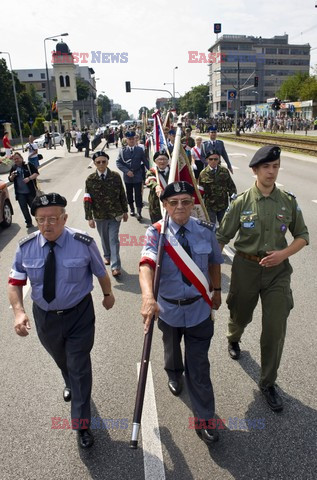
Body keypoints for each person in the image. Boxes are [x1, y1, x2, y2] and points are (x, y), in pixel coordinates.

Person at [8, 193, 115, 449]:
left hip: (79, 314)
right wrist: (18, 312)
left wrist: (108, 294)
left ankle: (82, 425)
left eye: (53, 219)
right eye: (41, 219)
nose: (47, 225)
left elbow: (101, 273)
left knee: (79, 366)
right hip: (45, 317)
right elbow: (15, 283)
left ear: (64, 218)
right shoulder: (26, 246)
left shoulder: (83, 242)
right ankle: (68, 380)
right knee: (62, 359)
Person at [216, 145, 309, 412]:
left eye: (276, 166)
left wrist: (283, 254)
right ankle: (234, 336)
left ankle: (268, 382)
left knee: (274, 327)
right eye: (266, 167)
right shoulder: (241, 202)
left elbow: (302, 236)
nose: (272, 171)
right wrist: (207, 271)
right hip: (246, 269)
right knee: (241, 314)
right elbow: (221, 239)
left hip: (277, 273)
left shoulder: (287, 201)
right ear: (255, 170)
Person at [139, 181, 223, 445]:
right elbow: (146, 265)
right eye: (173, 202)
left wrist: (217, 291)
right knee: (172, 349)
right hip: (169, 309)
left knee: (199, 367)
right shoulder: (156, 233)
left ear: (192, 204)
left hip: (199, 309)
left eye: (186, 201)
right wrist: (148, 297)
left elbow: (214, 262)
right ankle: (174, 373)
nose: (180, 207)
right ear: (165, 205)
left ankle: (205, 419)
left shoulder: (205, 231)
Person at [84, 151, 128, 277]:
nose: (101, 164)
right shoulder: (90, 179)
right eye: (98, 162)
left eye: (104, 161)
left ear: (107, 162)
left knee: (113, 239)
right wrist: (89, 217)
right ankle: (107, 255)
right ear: (94, 163)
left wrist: (125, 211)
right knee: (104, 238)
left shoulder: (115, 176)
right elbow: (87, 199)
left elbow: (122, 194)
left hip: (115, 214)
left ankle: (115, 266)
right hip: (99, 215)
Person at [116, 131, 149, 221]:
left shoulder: (139, 150)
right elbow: (118, 163)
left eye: (133, 139)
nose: (131, 140)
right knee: (129, 194)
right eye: (129, 139)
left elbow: (145, 161)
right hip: (128, 177)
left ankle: (139, 211)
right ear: (126, 140)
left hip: (137, 175)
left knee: (138, 194)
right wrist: (126, 171)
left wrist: (151, 171)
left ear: (135, 139)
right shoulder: (122, 151)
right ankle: (132, 209)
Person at [199, 150, 237, 227]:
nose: (213, 161)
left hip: (223, 205)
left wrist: (233, 202)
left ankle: (222, 239)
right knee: (211, 227)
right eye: (211, 159)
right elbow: (200, 191)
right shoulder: (203, 174)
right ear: (207, 160)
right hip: (210, 206)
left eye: (216, 159)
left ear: (219, 160)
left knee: (224, 227)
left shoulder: (224, 171)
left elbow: (231, 187)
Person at [8, 152, 39, 228]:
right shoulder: (13, 168)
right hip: (20, 193)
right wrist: (12, 176)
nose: (16, 160)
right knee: (24, 209)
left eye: (17, 158)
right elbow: (10, 179)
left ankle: (39, 220)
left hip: (30, 192)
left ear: (21, 158)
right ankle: (28, 222)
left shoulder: (28, 165)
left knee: (34, 208)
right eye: (15, 159)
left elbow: (36, 173)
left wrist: (29, 178)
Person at [145, 151, 170, 223]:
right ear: (155, 161)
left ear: (168, 161)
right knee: (157, 226)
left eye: (164, 159)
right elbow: (150, 180)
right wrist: (156, 186)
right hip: (156, 204)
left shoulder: (173, 171)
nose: (162, 161)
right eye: (159, 159)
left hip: (171, 203)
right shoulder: (152, 171)